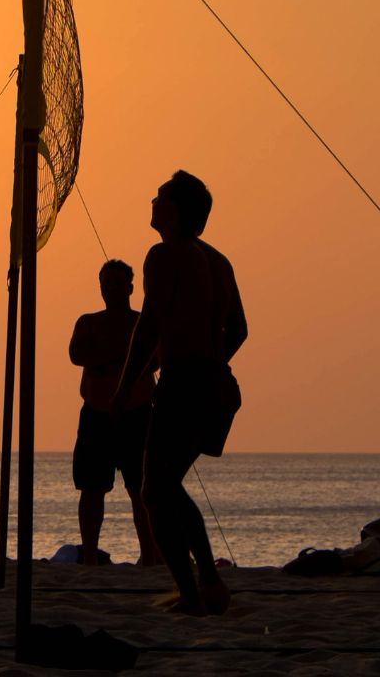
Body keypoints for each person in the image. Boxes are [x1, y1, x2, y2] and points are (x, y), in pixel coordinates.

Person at [116, 171, 247, 616]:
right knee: (166, 486)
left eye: (159, 197)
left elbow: (148, 324)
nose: (151, 201)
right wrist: (211, 360)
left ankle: (196, 592)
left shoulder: (164, 254)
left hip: (188, 384)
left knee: (155, 491)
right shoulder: (219, 260)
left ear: (173, 210)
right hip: (219, 386)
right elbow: (240, 330)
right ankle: (207, 583)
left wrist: (126, 386)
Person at [69, 259, 159, 566]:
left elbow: (155, 358)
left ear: (131, 288)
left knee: (141, 489)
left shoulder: (142, 322)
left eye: (117, 284)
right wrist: (121, 354)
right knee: (92, 488)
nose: (111, 289)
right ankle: (90, 555)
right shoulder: (88, 322)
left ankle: (149, 554)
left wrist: (114, 360)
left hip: (137, 416)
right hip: (96, 415)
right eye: (106, 283)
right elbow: (78, 354)